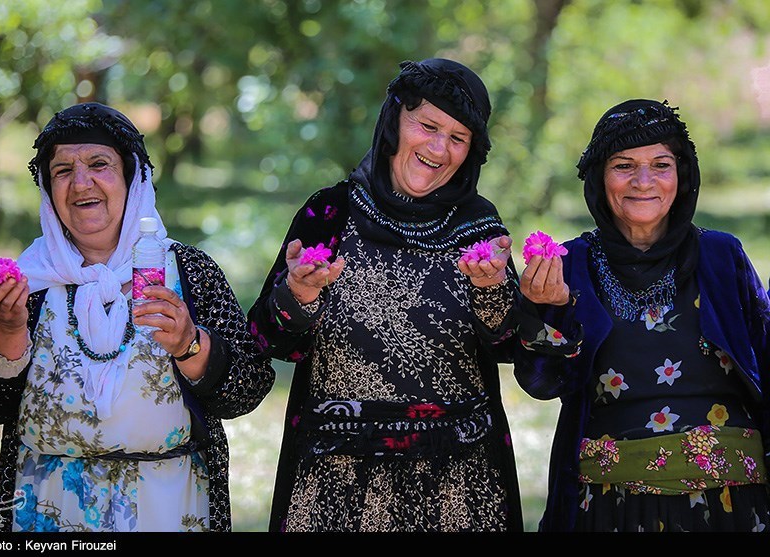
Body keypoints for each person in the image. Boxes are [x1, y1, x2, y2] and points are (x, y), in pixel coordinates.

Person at [0, 102, 275, 532]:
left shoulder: (188, 272)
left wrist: (191, 344)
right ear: (46, 188)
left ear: (133, 178)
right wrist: (5, 328)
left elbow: (247, 391)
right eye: (62, 171)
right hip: (46, 510)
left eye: (99, 164)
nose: (81, 183)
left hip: (166, 506)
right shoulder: (29, 281)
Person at [248, 58, 524, 532]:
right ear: (395, 119)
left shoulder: (479, 228)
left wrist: (491, 290)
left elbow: (509, 346)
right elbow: (270, 341)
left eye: (458, 138)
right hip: (335, 482)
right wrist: (298, 294)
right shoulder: (330, 213)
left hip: (458, 483)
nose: (439, 148)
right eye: (428, 125)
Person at [515, 98, 770, 532]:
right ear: (599, 177)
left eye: (661, 165)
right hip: (611, 507)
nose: (644, 181)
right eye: (624, 166)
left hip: (732, 505)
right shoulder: (570, 262)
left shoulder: (721, 255)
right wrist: (548, 309)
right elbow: (542, 383)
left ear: (682, 174)